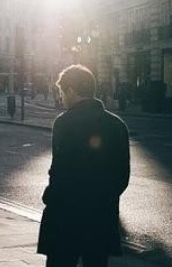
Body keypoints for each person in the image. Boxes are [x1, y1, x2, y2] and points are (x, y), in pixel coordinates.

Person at [38, 65, 130, 267]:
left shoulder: (65, 122)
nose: (61, 98)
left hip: (66, 217)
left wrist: (49, 197)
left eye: (62, 92)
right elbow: (123, 176)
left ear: (71, 90)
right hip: (102, 216)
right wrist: (104, 197)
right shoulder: (117, 125)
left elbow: (60, 171)